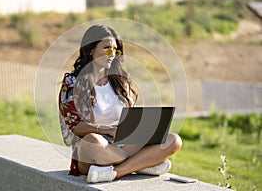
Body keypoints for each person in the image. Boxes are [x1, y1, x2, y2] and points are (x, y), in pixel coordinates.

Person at [58, 24, 182, 183]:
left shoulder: (120, 81)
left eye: (115, 50)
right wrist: (108, 130)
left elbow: (131, 117)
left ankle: (117, 171)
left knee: (173, 140)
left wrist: (144, 127)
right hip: (94, 148)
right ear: (90, 49)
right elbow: (74, 125)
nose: (112, 54)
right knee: (94, 141)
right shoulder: (73, 83)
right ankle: (142, 164)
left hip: (125, 143)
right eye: (106, 48)